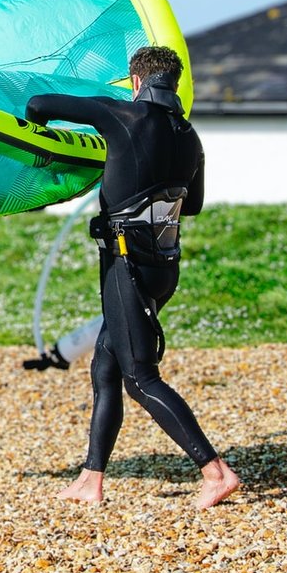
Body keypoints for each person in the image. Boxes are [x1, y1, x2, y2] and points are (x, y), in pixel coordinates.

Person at [25, 46, 240, 510]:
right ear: (175, 84)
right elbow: (194, 203)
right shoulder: (189, 136)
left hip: (126, 268)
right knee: (106, 364)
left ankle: (215, 471)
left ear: (137, 82)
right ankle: (90, 478)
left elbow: (39, 105)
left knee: (140, 376)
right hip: (163, 268)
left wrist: (44, 154)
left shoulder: (123, 115)